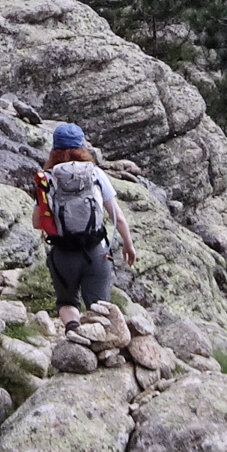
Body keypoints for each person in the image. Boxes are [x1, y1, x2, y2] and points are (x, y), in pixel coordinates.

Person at [37, 122, 135, 330]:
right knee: (100, 308)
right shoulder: (96, 174)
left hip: (63, 254)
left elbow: (38, 222)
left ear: (54, 149)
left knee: (67, 303)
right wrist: (128, 244)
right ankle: (97, 342)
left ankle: (73, 331)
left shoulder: (47, 178)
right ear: (81, 148)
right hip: (96, 253)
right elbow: (117, 216)